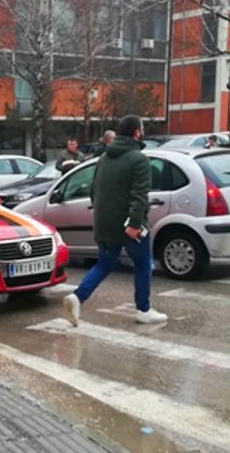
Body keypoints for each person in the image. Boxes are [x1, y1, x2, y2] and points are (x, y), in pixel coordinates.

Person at [62, 115, 168, 326]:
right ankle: (143, 310)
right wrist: (135, 223)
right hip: (130, 225)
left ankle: (77, 297)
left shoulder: (103, 159)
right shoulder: (139, 159)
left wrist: (105, 216)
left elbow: (94, 192)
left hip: (105, 223)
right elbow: (139, 195)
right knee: (143, 264)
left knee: (104, 264)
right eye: (142, 128)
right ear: (137, 132)